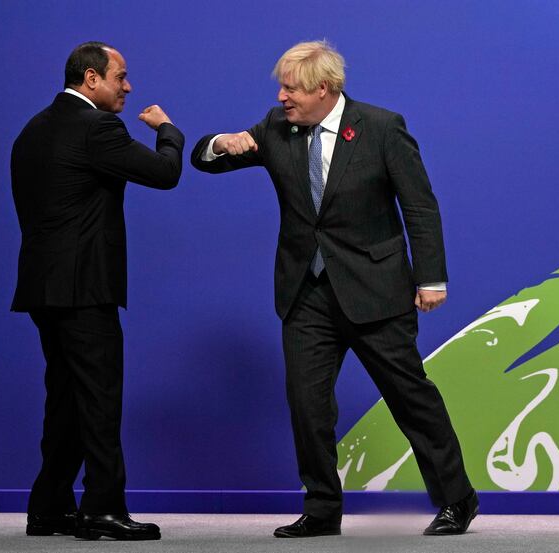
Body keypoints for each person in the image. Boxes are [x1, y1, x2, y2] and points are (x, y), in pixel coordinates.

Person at [191, 40, 477, 537]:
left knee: (411, 400)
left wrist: (431, 278)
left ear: (323, 89)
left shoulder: (383, 128)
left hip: (377, 292)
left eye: (291, 88)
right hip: (307, 294)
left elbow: (420, 208)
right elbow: (206, 160)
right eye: (280, 86)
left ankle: (458, 499)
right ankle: (322, 509)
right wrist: (222, 143)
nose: (282, 97)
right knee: (308, 406)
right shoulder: (276, 128)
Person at [11, 41, 184, 541]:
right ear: (91, 79)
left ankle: (49, 508)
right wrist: (167, 131)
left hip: (42, 289)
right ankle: (102, 509)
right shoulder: (98, 128)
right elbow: (165, 173)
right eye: (121, 77)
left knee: (65, 400)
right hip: (85, 290)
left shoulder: (33, 128)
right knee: (100, 401)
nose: (128, 87)